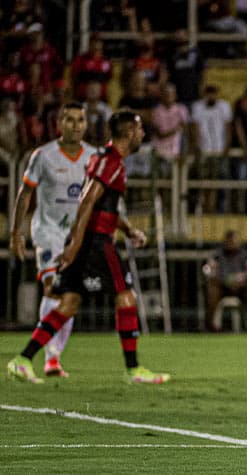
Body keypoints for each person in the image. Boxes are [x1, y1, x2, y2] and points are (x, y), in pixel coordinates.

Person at [7, 110, 171, 384]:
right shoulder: (112, 162)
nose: (143, 134)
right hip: (96, 242)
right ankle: (134, 370)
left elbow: (101, 207)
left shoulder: (102, 158)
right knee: (126, 297)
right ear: (129, 131)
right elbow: (87, 201)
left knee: (69, 302)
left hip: (88, 239)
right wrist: (75, 243)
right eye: (140, 129)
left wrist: (128, 230)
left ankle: (23, 360)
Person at [8, 102, 98, 378]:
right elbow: (25, 194)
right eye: (69, 120)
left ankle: (53, 358)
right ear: (59, 123)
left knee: (71, 295)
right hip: (48, 231)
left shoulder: (94, 157)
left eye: (79, 120)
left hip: (77, 236)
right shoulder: (43, 156)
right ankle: (47, 355)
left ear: (86, 124)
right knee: (52, 287)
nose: (75, 125)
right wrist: (16, 233)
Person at [205, 230, 247, 331]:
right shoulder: (216, 255)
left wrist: (240, 283)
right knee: (212, 290)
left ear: (239, 241)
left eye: (234, 241)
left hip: (242, 287)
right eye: (229, 241)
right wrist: (225, 283)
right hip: (222, 286)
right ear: (224, 241)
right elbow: (210, 274)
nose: (231, 244)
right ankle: (210, 326)